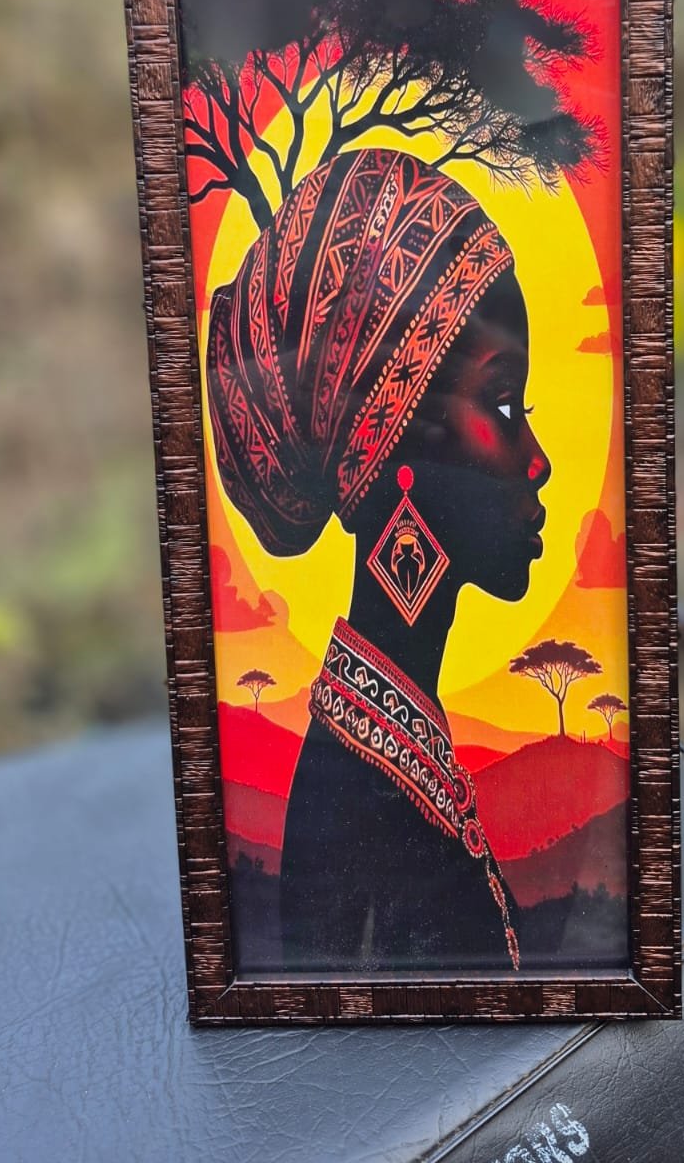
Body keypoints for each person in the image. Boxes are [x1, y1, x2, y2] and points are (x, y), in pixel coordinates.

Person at [207, 147, 550, 972]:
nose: (538, 460)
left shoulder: (385, 760)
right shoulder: (358, 803)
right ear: (397, 455)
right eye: (503, 402)